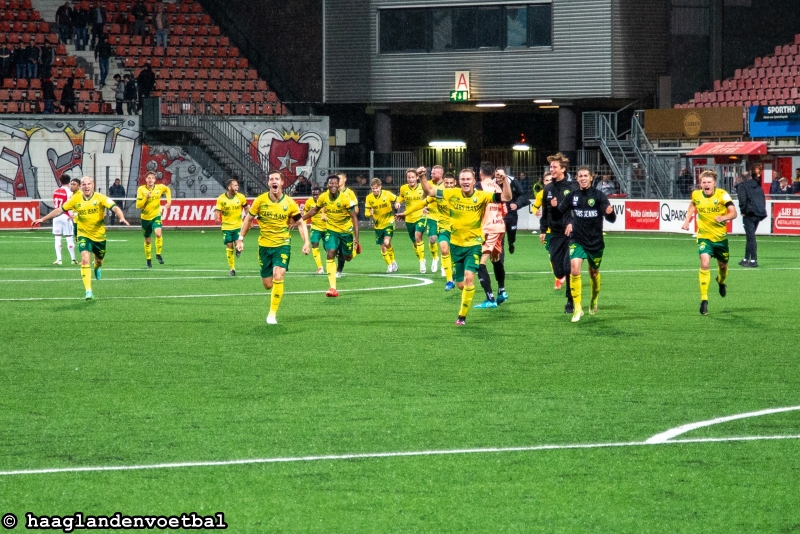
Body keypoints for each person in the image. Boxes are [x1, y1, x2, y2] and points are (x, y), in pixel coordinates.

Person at [419, 168, 511, 326]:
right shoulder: (450, 193)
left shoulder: (482, 196)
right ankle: (468, 293)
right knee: (461, 284)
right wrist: (422, 176)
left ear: (474, 181)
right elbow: (428, 190)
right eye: (463, 179)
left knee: (469, 278)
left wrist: (505, 181)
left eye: (468, 179)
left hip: (473, 245)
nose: (466, 182)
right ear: (459, 181)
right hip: (456, 246)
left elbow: (506, 197)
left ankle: (461, 317)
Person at [32, 176, 129, 300]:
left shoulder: (100, 198)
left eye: (88, 184)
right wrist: (42, 219)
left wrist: (121, 217)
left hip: (99, 236)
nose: (86, 186)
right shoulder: (75, 199)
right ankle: (88, 291)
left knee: (99, 260)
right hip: (83, 234)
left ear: (92, 185)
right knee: (85, 259)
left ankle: (97, 267)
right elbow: (59, 210)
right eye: (84, 184)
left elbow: (115, 207)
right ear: (81, 186)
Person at [236, 172, 310, 324]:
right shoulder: (260, 201)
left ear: (282, 182)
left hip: (282, 244)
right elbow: (248, 219)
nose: (274, 181)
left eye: (277, 179)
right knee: (267, 284)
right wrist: (241, 239)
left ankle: (272, 314)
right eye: (271, 179)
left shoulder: (289, 202)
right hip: (264, 246)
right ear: (268, 183)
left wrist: (306, 242)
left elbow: (301, 223)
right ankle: (273, 294)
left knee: (278, 275)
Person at [556, 166, 617, 322]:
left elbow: (611, 219)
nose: (582, 178)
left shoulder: (599, 196)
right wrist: (558, 208)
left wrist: (610, 213)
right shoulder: (572, 196)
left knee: (594, 273)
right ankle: (577, 308)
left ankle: (594, 299)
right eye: (580, 176)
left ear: (591, 178)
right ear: (577, 178)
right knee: (574, 270)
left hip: (595, 242)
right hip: (577, 240)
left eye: (585, 176)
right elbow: (559, 212)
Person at [681, 170, 737, 315]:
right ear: (701, 184)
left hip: (720, 239)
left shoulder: (722, 194)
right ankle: (704, 300)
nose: (706, 184)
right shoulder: (696, 194)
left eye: (709, 182)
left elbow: (733, 213)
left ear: (714, 183)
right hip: (704, 237)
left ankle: (721, 281)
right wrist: (687, 220)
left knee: (723, 266)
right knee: (705, 263)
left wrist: (723, 218)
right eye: (703, 182)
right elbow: (693, 206)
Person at [301, 175, 359, 297]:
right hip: (331, 230)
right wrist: (300, 219)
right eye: (330, 183)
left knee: (347, 257)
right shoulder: (323, 197)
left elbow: (354, 217)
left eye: (335, 183)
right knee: (330, 252)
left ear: (338, 185)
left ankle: (354, 251)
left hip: (346, 231)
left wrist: (356, 238)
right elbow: (314, 210)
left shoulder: (345, 199)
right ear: (327, 185)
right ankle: (333, 288)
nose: (333, 185)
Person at [540, 152, 579, 313]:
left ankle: (570, 300)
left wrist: (571, 222)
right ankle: (563, 280)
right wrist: (543, 230)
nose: (552, 169)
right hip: (554, 233)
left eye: (555, 167)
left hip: (570, 233)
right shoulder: (548, 188)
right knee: (558, 270)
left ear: (563, 168)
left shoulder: (573, 187)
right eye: (551, 167)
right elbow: (545, 211)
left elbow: (577, 210)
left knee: (568, 266)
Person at [473, 163, 509, 309]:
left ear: (480, 173)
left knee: (480, 262)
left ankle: (490, 299)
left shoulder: (479, 187)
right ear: (492, 174)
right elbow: (504, 209)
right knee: (495, 259)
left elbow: (474, 205)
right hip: (500, 226)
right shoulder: (497, 187)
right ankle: (502, 291)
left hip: (488, 228)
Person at [532, 173, 563, 289]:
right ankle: (558, 278)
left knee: (564, 253)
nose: (549, 182)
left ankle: (563, 274)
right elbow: (535, 207)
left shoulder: (561, 191)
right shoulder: (541, 194)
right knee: (552, 254)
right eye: (546, 180)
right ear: (543, 182)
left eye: (551, 179)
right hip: (548, 229)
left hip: (562, 227)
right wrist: (535, 211)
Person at [135, 170, 172, 268]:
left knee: (158, 233)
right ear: (146, 179)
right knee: (148, 240)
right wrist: (146, 197)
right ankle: (148, 260)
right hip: (145, 218)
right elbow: (138, 205)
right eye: (149, 178)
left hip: (156, 215)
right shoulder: (141, 189)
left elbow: (167, 190)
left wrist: (169, 201)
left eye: (152, 178)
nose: (150, 180)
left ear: (155, 180)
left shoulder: (159, 188)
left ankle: (158, 254)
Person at [364, 177, 398, 273]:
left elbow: (397, 199)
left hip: (389, 222)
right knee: (383, 247)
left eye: (376, 188)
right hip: (378, 225)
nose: (374, 190)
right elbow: (366, 213)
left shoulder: (387, 194)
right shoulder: (369, 198)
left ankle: (393, 262)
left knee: (386, 242)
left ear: (380, 187)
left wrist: (397, 203)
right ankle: (390, 264)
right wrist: (369, 213)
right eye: (373, 188)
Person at [214, 178, 248, 276]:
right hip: (226, 227)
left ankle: (239, 249)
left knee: (239, 246)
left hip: (238, 226)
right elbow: (217, 210)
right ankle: (232, 269)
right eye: (235, 185)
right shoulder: (221, 198)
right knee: (229, 247)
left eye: (237, 185)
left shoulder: (241, 197)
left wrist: (248, 221)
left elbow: (246, 207)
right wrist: (217, 219)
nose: (237, 187)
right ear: (229, 187)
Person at [397, 168, 428, 273]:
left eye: (412, 177)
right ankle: (421, 258)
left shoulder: (422, 187)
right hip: (409, 219)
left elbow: (428, 198)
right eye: (409, 177)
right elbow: (401, 197)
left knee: (418, 236)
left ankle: (422, 262)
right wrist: (398, 203)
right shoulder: (403, 188)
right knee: (415, 243)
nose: (410, 179)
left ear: (417, 178)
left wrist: (427, 207)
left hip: (421, 216)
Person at [735, 172, 767, 268]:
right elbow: (762, 199)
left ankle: (753, 260)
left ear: (741, 178)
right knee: (750, 237)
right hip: (759, 213)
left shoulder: (742, 186)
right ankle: (745, 258)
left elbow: (742, 200)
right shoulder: (758, 186)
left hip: (749, 213)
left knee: (751, 237)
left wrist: (743, 211)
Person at [333, 173, 359, 277]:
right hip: (333, 226)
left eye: (339, 178)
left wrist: (345, 211)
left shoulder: (350, 193)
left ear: (345, 179)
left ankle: (339, 269)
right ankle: (336, 271)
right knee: (332, 249)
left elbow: (356, 210)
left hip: (346, 226)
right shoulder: (332, 192)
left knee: (346, 255)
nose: (337, 180)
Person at [51, 175, 77, 265]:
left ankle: (59, 259)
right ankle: (73, 259)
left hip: (56, 216)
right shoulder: (70, 193)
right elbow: (70, 205)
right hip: (66, 216)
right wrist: (72, 215)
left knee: (57, 238)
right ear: (69, 182)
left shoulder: (55, 191)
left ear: (60, 181)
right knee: (69, 238)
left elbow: (54, 203)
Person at [302, 184, 327, 274]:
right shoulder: (309, 202)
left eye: (317, 194)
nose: (315, 196)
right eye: (313, 194)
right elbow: (305, 214)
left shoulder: (325, 201)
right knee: (314, 244)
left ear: (321, 194)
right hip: (315, 227)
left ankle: (331, 265)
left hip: (327, 228)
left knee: (328, 248)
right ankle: (320, 267)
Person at [503, 170, 528, 254]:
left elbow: (522, 195)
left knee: (511, 234)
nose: (498, 177)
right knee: (499, 239)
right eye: (497, 175)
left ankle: (511, 243)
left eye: (500, 175)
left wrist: (517, 204)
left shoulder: (514, 182)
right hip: (499, 214)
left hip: (511, 213)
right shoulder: (493, 182)